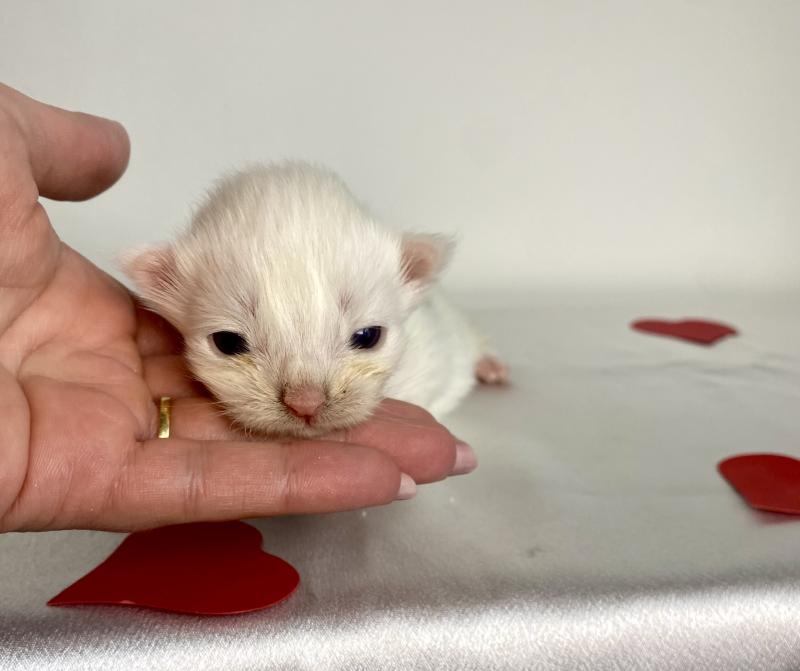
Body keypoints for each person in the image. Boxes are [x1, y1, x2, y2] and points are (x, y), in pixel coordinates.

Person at [0, 83, 476, 532]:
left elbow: (449, 356)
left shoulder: (418, 326)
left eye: (364, 338)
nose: (306, 400)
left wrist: (473, 356)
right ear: (162, 285)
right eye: (232, 343)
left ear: (413, 276)